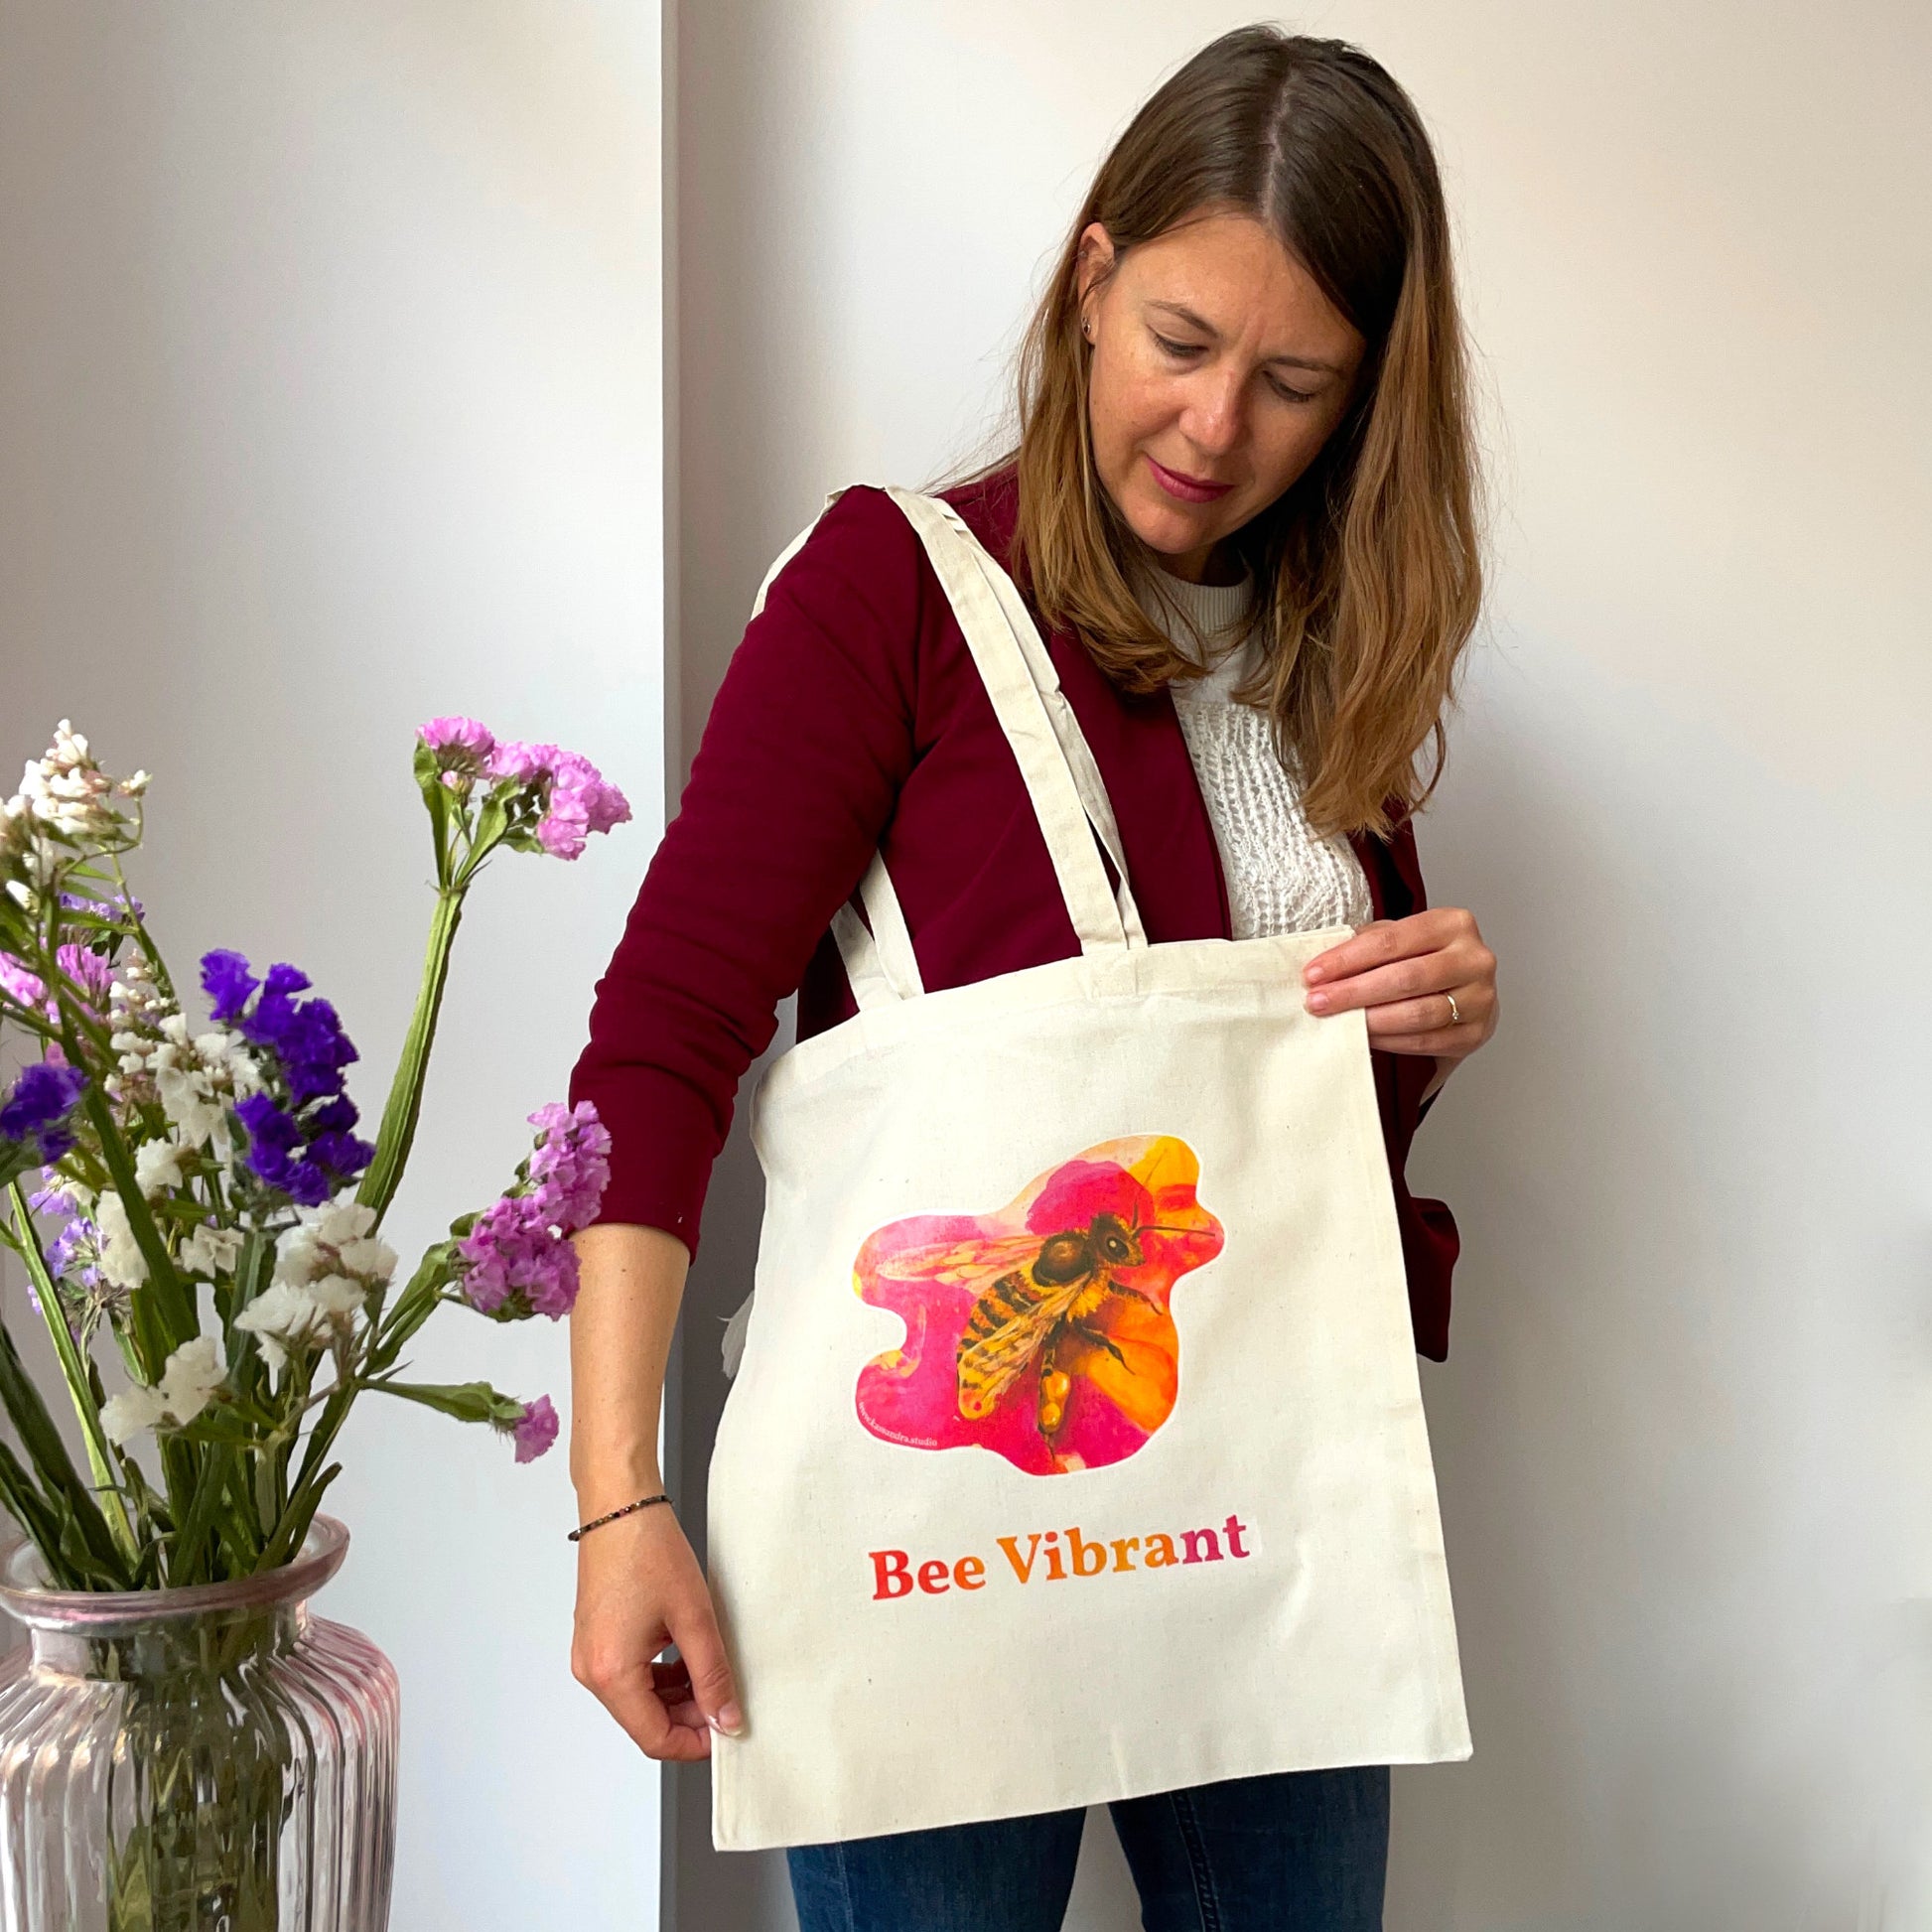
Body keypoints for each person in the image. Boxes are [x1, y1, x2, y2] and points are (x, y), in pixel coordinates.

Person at [566, 25, 1498, 1931]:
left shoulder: (1323, 657)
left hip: (1255, 1498)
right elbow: (660, 1041)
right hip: (935, 1521)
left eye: (1293, 383)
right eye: (1178, 339)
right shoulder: (890, 591)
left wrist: (1424, 1020)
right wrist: (614, 1496)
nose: (1214, 426)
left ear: (1364, 399)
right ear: (1089, 281)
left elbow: (1262, 1146)